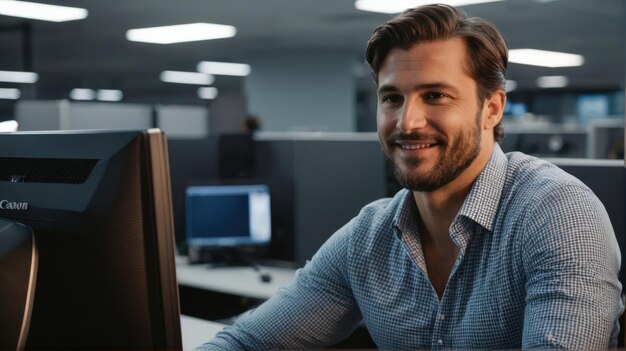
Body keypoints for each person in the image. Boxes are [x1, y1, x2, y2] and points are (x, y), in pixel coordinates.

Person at [196, 4, 623, 350]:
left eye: (435, 95)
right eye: (392, 98)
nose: (407, 121)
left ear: (492, 108)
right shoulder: (368, 238)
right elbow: (248, 341)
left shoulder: (558, 213)